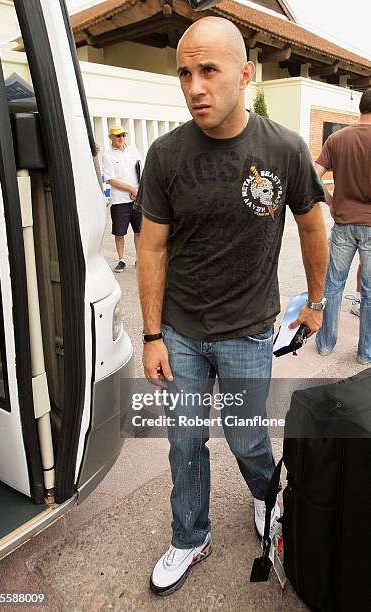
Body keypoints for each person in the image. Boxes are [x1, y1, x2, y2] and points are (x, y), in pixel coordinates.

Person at [137, 16, 328, 596]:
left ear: (245, 74)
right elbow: (151, 246)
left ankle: (265, 499)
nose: (195, 86)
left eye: (209, 71)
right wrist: (151, 335)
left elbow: (313, 228)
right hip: (181, 332)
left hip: (247, 331)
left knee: (248, 436)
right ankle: (190, 535)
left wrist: (317, 302)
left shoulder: (284, 149)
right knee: (185, 440)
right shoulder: (167, 155)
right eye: (184, 74)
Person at [314, 88, 371, 364]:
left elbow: (312, 175)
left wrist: (331, 201)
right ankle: (365, 353)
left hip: (343, 223)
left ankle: (325, 344)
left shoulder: (337, 138)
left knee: (334, 285)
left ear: (360, 108)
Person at [102, 125, 142, 272]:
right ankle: (121, 260)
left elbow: (141, 171)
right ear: (110, 137)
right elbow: (111, 180)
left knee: (139, 230)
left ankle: (140, 258)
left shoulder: (134, 151)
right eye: (117, 136)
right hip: (119, 200)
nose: (121, 138)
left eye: (123, 135)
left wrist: (139, 190)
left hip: (137, 198)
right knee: (119, 232)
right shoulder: (108, 156)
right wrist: (132, 189)